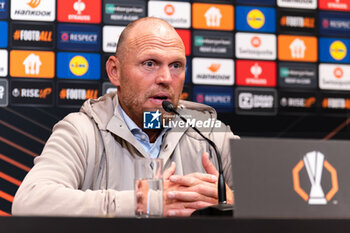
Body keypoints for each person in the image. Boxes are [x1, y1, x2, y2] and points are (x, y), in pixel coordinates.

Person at [12, 17, 238, 217]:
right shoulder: (82, 130)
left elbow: (270, 199)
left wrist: (234, 201)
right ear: (115, 71)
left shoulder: (208, 131)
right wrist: (143, 201)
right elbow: (30, 202)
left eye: (176, 65)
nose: (166, 78)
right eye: (150, 64)